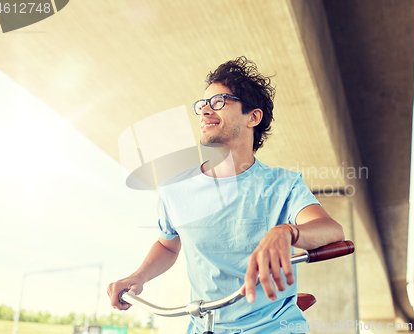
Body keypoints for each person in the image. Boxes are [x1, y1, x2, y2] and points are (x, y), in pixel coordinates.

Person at [107, 56, 345, 333]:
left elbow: (332, 230)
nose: (206, 111)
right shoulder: (174, 189)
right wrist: (138, 276)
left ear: (252, 117)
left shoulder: (283, 184)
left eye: (219, 101)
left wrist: (288, 231)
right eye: (203, 104)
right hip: (204, 324)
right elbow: (168, 244)